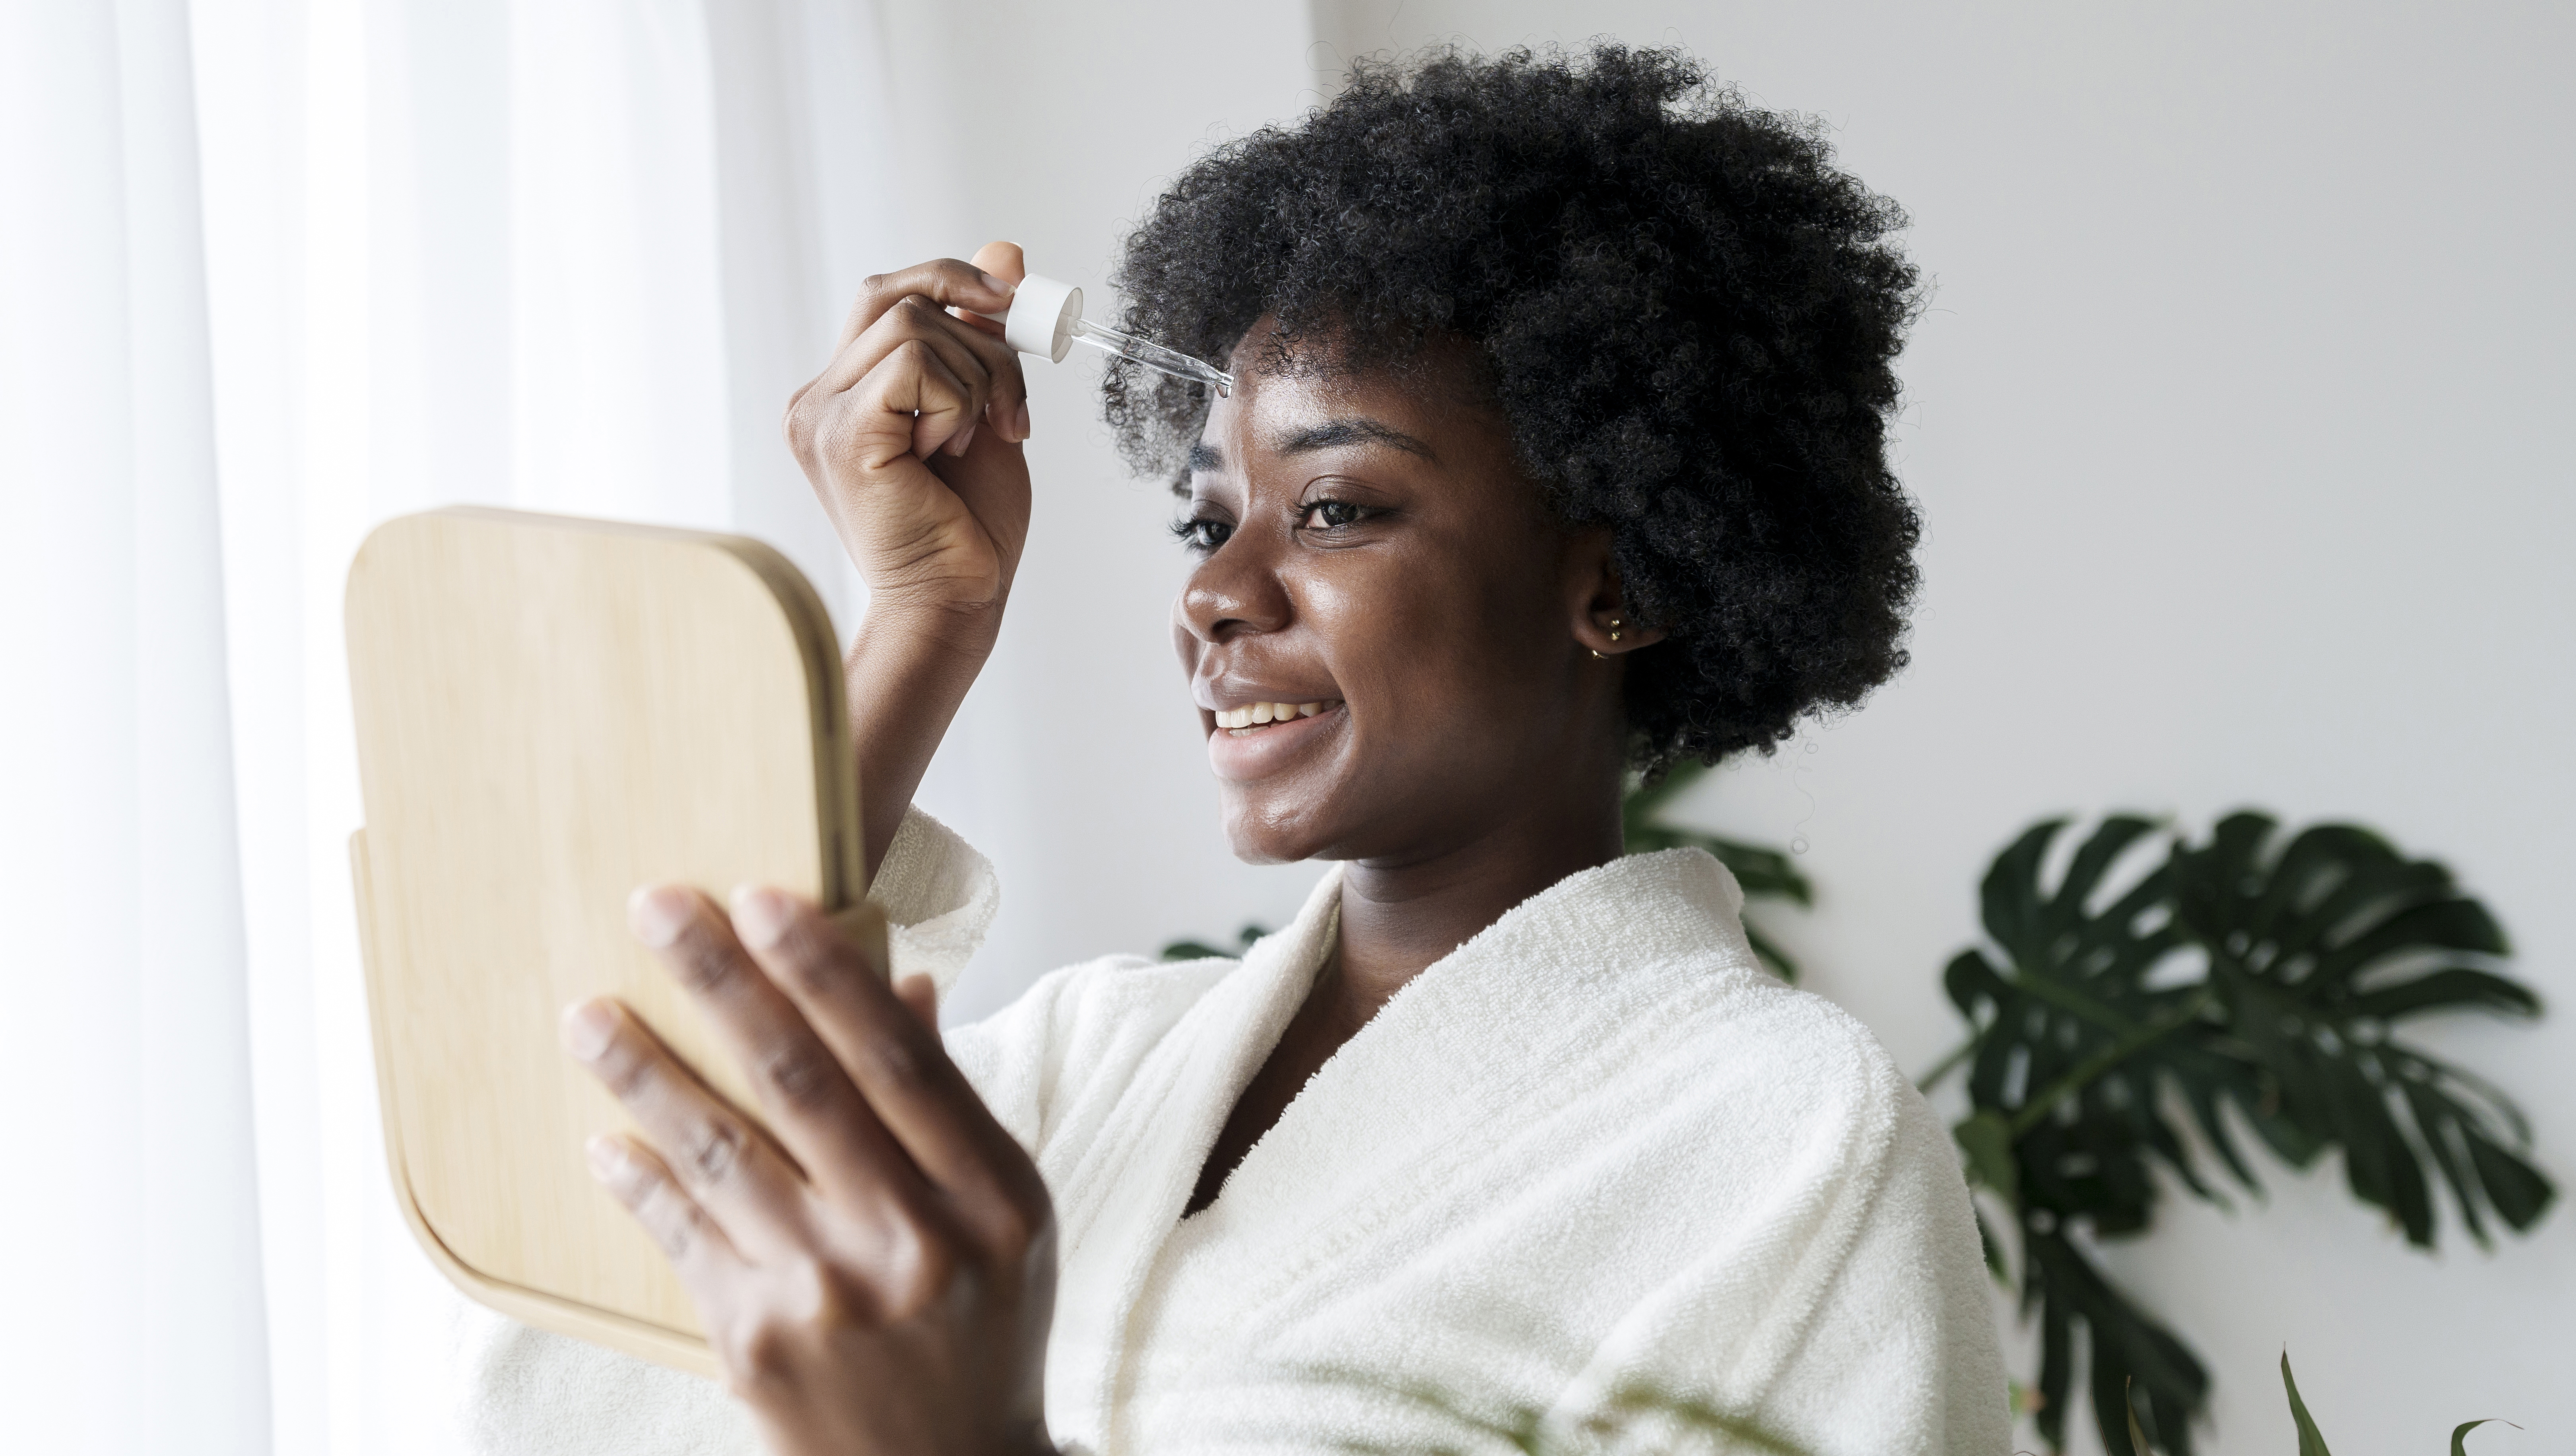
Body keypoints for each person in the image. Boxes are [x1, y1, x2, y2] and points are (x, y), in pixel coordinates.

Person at [475, 45, 2009, 1456]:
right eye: (1208, 520)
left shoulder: (1784, 1149)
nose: (1214, 591)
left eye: (1335, 508)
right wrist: (923, 615)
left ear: (1617, 582)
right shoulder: (1088, 1064)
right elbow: (607, 1246)